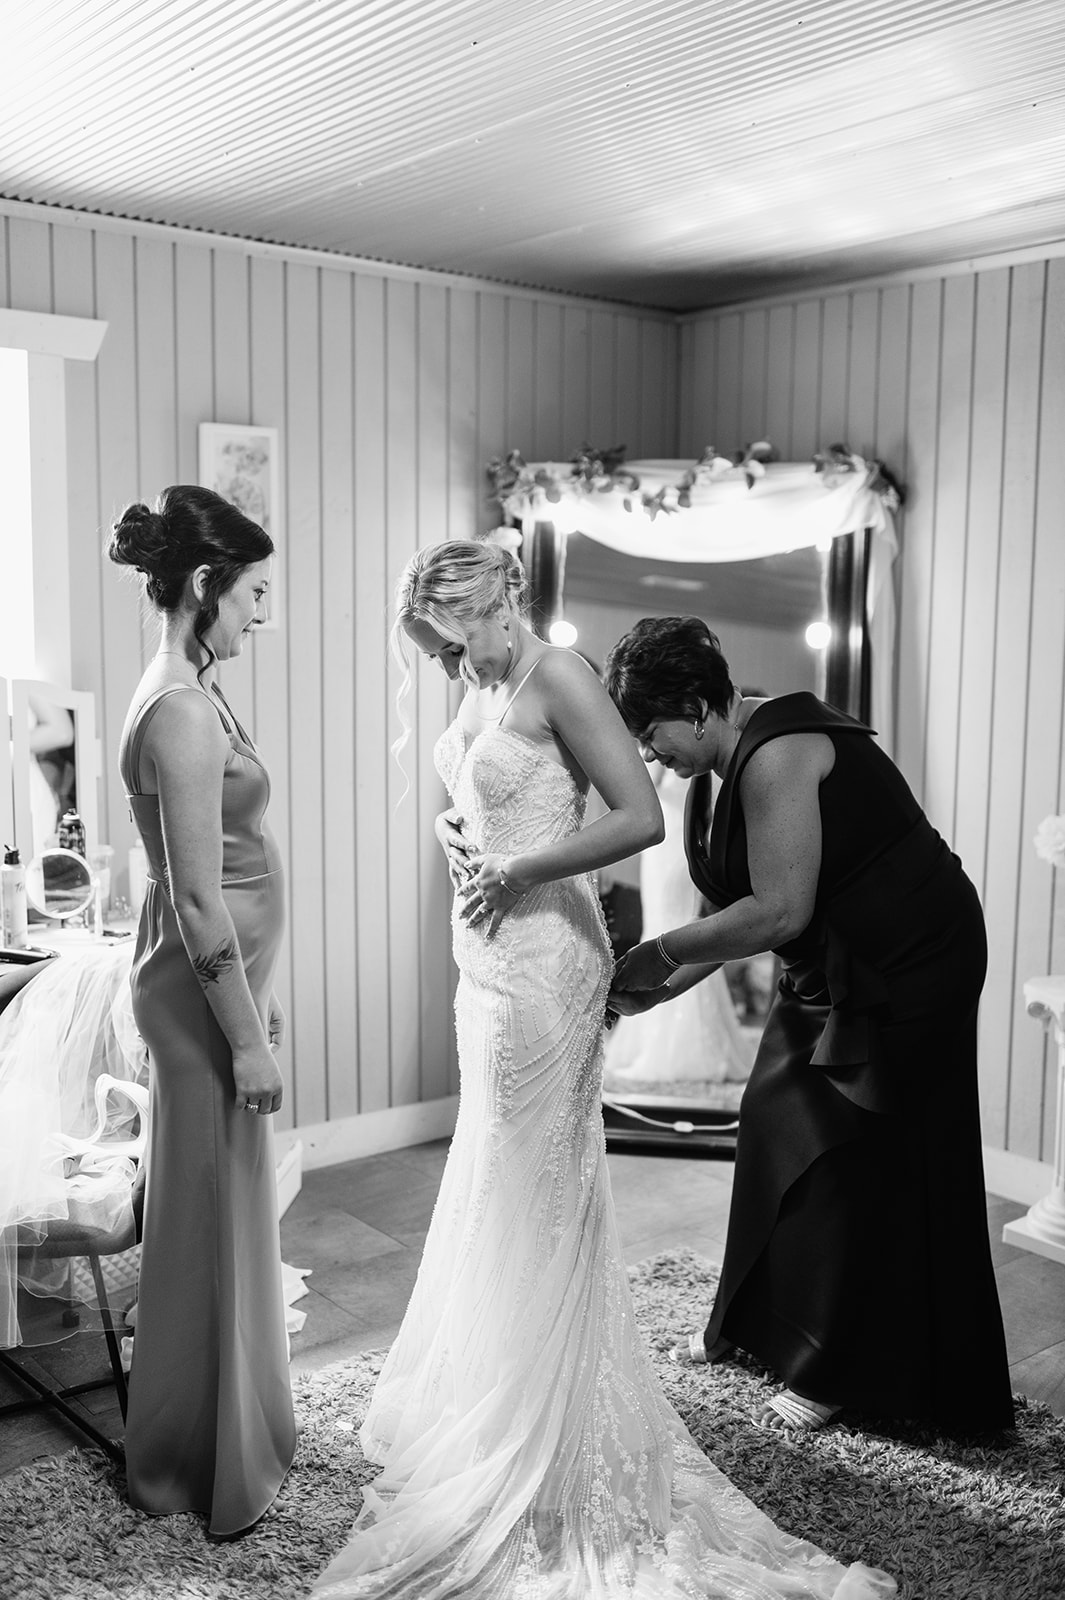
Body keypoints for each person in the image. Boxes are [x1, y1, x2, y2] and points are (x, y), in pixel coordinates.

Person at [311, 540, 895, 1599]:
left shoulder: (560, 675)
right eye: (442, 637)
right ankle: (495, 1381)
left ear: (502, 603)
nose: (460, 652)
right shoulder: (474, 675)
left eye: (466, 630)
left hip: (546, 962)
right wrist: (459, 826)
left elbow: (634, 815)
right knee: (494, 1176)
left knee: (539, 1187)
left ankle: (549, 1423)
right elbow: (476, 790)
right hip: (482, 957)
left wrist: (518, 864)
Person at [605, 615, 1014, 1438]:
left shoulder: (783, 748)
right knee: (772, 1120)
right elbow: (734, 913)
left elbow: (776, 910)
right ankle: (758, 1329)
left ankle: (837, 1367)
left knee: (853, 1157)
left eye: (654, 736)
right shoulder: (724, 763)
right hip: (828, 963)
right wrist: (642, 995)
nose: (653, 757)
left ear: (696, 703)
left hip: (908, 963)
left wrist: (651, 953)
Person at [108, 485, 295, 1538]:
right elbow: (192, 897)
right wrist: (248, 1039)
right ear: (203, 585)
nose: (262, 614)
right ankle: (197, 1458)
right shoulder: (179, 707)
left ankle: (243, 1422)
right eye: (254, 593)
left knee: (231, 1213)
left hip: (223, 996)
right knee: (209, 1223)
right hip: (203, 1008)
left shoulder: (198, 686)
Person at [604, 761, 754, 1092]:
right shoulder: (690, 759)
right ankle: (656, 1009)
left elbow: (646, 786)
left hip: (675, 839)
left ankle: (677, 1026)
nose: (647, 749)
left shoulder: (690, 759)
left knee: (681, 922)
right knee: (665, 921)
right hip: (670, 836)